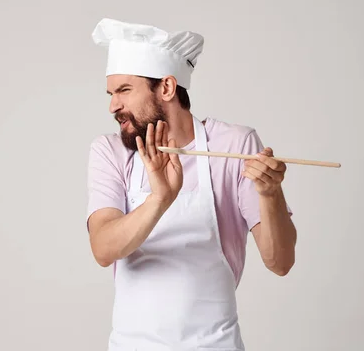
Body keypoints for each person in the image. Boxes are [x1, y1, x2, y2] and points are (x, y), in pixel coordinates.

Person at [86, 18, 297, 351]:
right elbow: (103, 248)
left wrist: (270, 194)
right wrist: (159, 199)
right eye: (111, 93)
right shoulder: (110, 150)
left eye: (124, 90)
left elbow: (280, 262)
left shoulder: (234, 145)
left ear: (167, 88)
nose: (113, 105)